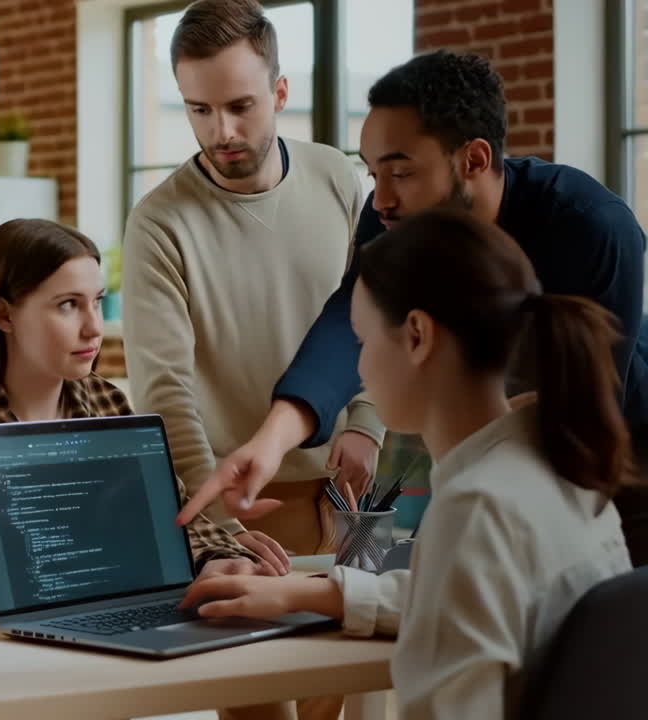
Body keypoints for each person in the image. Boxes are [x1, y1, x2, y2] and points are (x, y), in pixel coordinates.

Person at [181, 50, 648, 568]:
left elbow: (588, 403)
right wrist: (269, 445)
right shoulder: (393, 215)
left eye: (401, 172)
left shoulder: (591, 225)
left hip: (621, 466)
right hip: (489, 468)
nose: (380, 201)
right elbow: (348, 321)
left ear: (473, 160)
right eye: (373, 173)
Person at [183, 208, 634, 719]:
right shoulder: (554, 464)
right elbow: (460, 601)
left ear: (417, 335)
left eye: (362, 339)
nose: (356, 368)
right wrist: (307, 594)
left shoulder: (478, 507)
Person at [0, 218, 261, 599]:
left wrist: (217, 557)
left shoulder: (106, 404)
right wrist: (34, 572)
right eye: (68, 305)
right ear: (4, 315)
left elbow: (177, 526)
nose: (94, 327)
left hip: (105, 631)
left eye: (96, 301)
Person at [123, 0, 386, 577]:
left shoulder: (338, 177)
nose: (223, 132)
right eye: (200, 110)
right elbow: (165, 398)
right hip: (242, 511)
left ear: (281, 93)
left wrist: (368, 422)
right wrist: (219, 526)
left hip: (354, 491)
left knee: (373, 650)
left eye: (241, 106)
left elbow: (374, 311)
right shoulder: (158, 223)